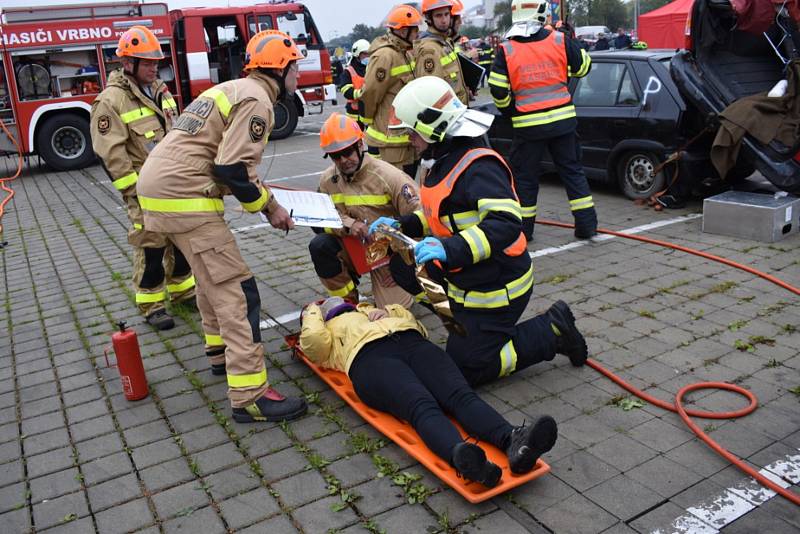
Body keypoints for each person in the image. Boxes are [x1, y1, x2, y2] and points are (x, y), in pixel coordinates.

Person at [368, 76, 589, 387]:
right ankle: (463, 322)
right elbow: (440, 215)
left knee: (467, 367)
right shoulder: (441, 159)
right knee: (402, 266)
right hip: (467, 275)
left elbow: (506, 224)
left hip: (497, 286)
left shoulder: (478, 166)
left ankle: (552, 331)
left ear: (434, 126)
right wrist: (402, 226)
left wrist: (449, 249)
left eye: (412, 132)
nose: (409, 139)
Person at [136, 30, 308, 423]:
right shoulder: (258, 100)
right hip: (184, 198)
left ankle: (219, 354)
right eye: (295, 66)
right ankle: (250, 394)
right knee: (237, 290)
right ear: (280, 69)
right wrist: (271, 209)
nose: (299, 74)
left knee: (208, 278)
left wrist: (266, 197)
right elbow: (230, 168)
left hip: (161, 192)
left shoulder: (233, 88)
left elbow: (229, 165)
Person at [299, 297, 559, 487]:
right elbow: (313, 344)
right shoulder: (326, 331)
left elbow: (413, 322)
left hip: (413, 343)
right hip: (369, 360)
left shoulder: (371, 309)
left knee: (461, 396)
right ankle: (465, 459)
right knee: (421, 407)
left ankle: (514, 442)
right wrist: (311, 311)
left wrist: (387, 310)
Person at [91, 26, 195, 331]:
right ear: (128, 64)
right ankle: (151, 304)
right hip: (143, 192)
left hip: (173, 187)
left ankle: (183, 291)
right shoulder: (110, 102)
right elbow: (111, 155)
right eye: (147, 63)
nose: (154, 68)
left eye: (155, 63)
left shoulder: (160, 91)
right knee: (151, 248)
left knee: (179, 244)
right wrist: (134, 192)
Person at [489, 0, 597, 240]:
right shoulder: (558, 39)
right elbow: (583, 68)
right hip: (563, 123)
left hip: (528, 127)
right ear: (542, 13)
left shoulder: (507, 49)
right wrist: (573, 41)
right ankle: (587, 227)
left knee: (526, 180)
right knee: (573, 173)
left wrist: (510, 112)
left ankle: (524, 233)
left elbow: (496, 89)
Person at [309, 113, 420, 308]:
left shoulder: (389, 176)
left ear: (360, 146)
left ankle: (410, 280)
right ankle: (347, 302)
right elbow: (320, 221)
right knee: (320, 246)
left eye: (348, 152)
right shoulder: (328, 180)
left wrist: (405, 266)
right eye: (336, 156)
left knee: (391, 314)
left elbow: (420, 220)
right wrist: (350, 224)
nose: (343, 160)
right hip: (354, 248)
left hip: (390, 252)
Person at [360, 4, 422, 176]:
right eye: (414, 29)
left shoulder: (405, 53)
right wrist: (369, 122)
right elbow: (371, 94)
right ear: (402, 31)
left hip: (406, 139)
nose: (418, 33)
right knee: (394, 191)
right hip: (390, 143)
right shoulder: (385, 56)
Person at [415, 0, 469, 106]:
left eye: (446, 14)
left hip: (459, 110)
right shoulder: (429, 50)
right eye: (438, 16)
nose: (444, 20)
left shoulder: (446, 42)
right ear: (429, 19)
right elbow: (433, 94)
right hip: (449, 115)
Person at [338, 39, 370, 127]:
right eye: (365, 54)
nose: (368, 56)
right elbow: (346, 91)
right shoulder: (348, 71)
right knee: (356, 139)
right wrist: (362, 93)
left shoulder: (372, 68)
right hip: (355, 114)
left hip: (370, 112)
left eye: (369, 53)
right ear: (357, 55)